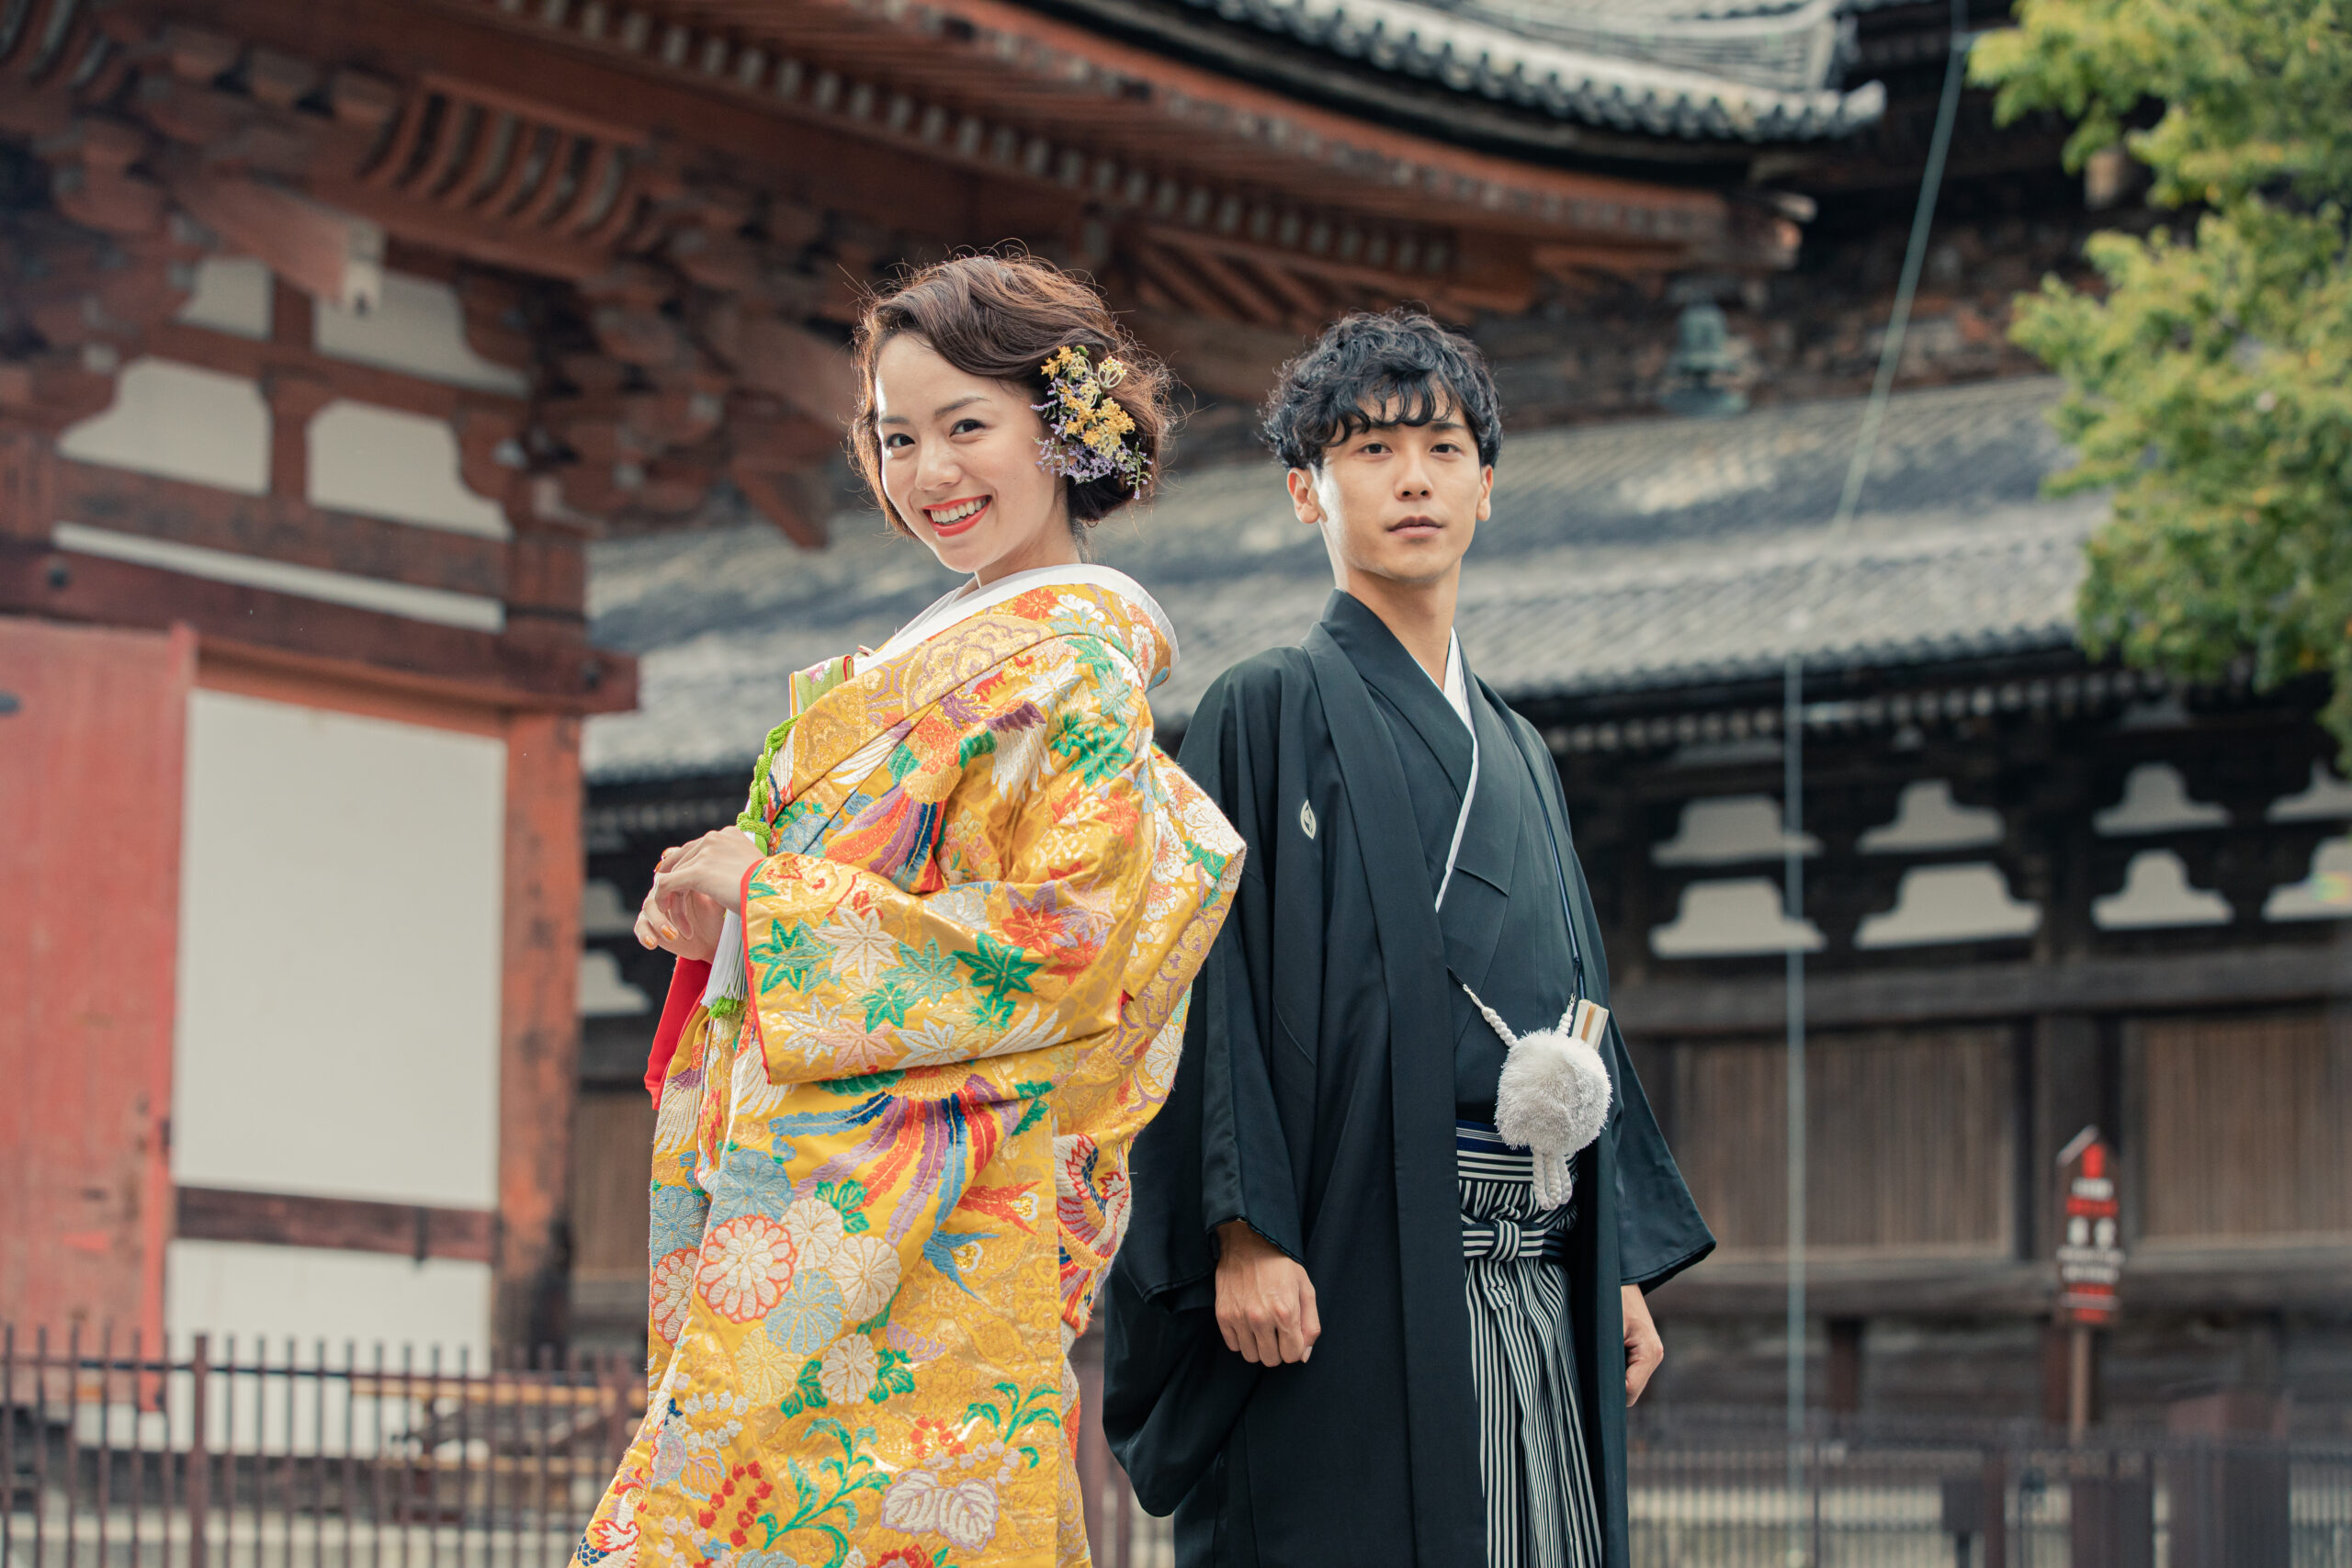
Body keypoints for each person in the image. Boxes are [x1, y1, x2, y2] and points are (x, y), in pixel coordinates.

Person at [571, 254, 1243, 1568]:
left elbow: (1062, 947)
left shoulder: (1075, 670)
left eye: (967, 427)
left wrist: (773, 897)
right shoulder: (945, 654)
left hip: (929, 1211)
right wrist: (735, 925)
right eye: (896, 437)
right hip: (830, 1177)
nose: (930, 472)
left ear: (1065, 430)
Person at [1100, 311, 1713, 1568]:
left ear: (1487, 488)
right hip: (1347, 1246)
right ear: (1301, 490)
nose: (1413, 478)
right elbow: (1202, 982)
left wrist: (1619, 1259)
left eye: (1441, 448)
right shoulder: (1261, 708)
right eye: (1368, 450)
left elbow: (1574, 1001)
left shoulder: (1523, 751)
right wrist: (1242, 1231)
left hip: (1530, 1252)